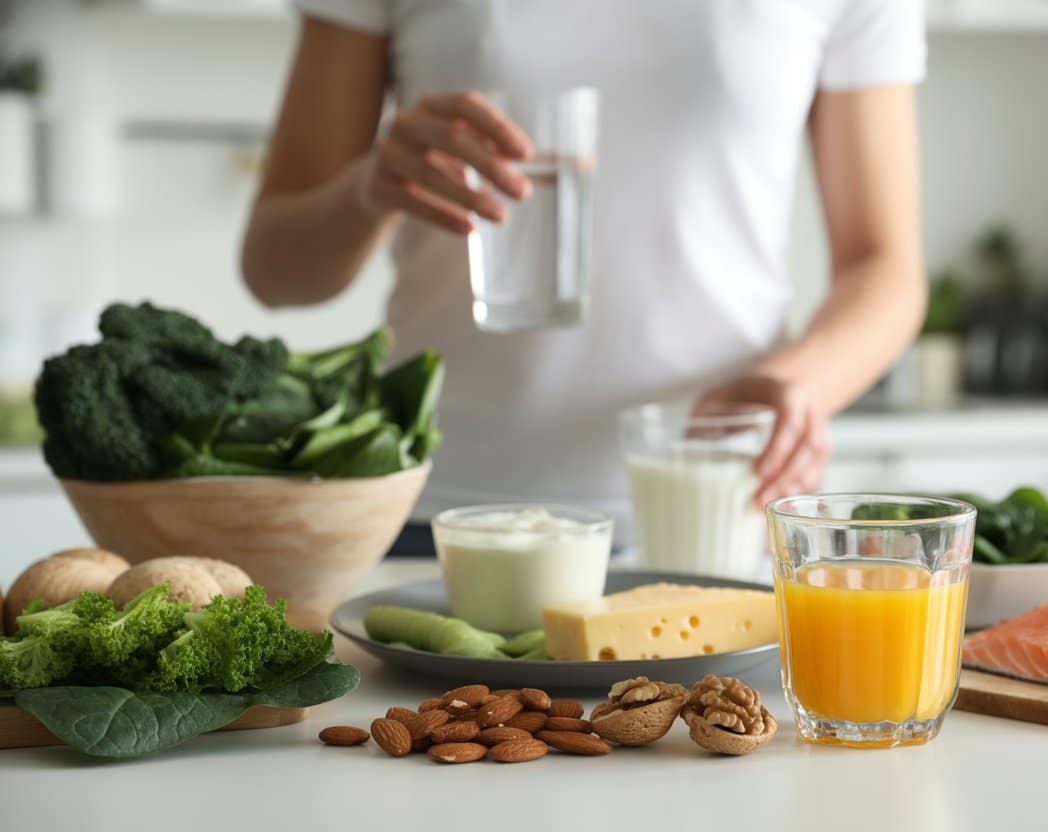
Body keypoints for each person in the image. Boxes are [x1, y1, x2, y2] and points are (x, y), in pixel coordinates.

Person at [241, 0, 927, 552]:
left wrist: (802, 384)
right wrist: (370, 187)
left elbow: (886, 267)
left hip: (718, 512)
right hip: (445, 513)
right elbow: (273, 268)